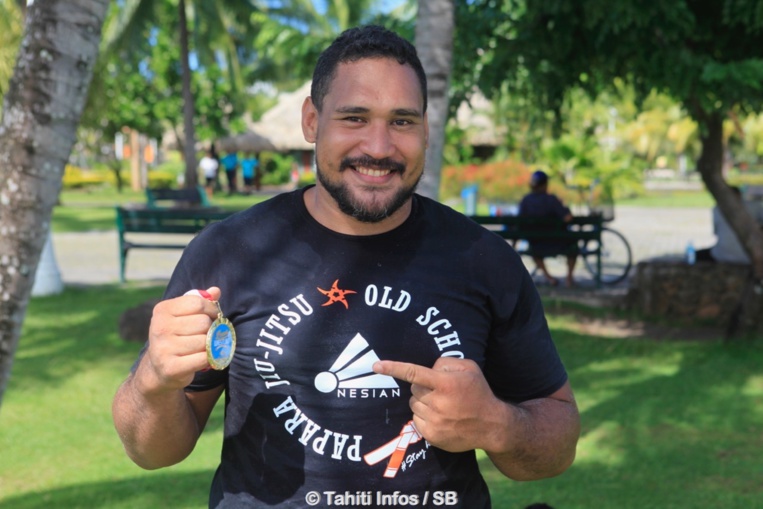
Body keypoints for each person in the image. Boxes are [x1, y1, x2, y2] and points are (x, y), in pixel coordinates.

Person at [112, 25, 579, 508]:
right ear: (312, 121)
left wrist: (498, 425)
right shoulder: (229, 251)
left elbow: (558, 442)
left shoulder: (483, 259)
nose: (378, 147)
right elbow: (152, 451)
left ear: (425, 128)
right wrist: (153, 380)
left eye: (402, 121)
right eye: (355, 118)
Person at [518, 170, 578, 287]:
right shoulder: (552, 200)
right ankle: (569, 278)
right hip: (558, 242)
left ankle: (549, 278)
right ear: (545, 184)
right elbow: (567, 218)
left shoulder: (526, 201)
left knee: (533, 248)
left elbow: (520, 221)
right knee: (573, 245)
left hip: (536, 244)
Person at [696, 186, 763, 263]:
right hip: (751, 255)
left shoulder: (717, 208)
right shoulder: (755, 206)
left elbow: (716, 232)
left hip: (722, 255)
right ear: (740, 195)